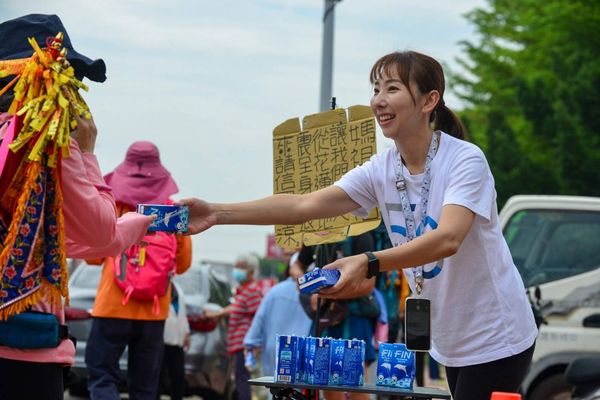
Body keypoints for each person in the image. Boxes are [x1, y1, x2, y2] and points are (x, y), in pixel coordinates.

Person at [180, 50, 538, 399]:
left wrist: (367, 262)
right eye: (376, 89)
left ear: (429, 101)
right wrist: (216, 212)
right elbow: (305, 205)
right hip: (451, 338)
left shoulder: (465, 160)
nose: (379, 101)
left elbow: (448, 238)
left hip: (497, 335)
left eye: (393, 89)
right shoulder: (382, 168)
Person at [0, 14, 154, 400]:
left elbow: (58, 241)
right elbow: (99, 236)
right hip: (22, 351)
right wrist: (87, 154)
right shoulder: (49, 145)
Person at [84, 141, 192, 400]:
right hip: (154, 312)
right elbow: (183, 264)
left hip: (112, 306)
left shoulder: (114, 206)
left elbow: (93, 257)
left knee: (102, 377)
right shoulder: (171, 210)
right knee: (145, 387)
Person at [243, 251, 312, 380]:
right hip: (307, 360)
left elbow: (258, 322)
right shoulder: (320, 294)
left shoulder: (274, 292)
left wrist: (250, 345)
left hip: (276, 360)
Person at [205, 253, 262, 400]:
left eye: (241, 267)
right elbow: (235, 308)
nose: (237, 270)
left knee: (242, 379)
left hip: (245, 344)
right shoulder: (242, 291)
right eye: (236, 267)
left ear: (250, 271)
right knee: (239, 379)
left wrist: (254, 345)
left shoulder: (253, 291)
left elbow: (258, 317)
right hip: (237, 343)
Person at [158, 282, 191, 400]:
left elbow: (182, 313)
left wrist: (186, 332)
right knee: (157, 377)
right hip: (160, 340)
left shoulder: (177, 288)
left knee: (178, 377)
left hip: (177, 340)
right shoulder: (158, 285)